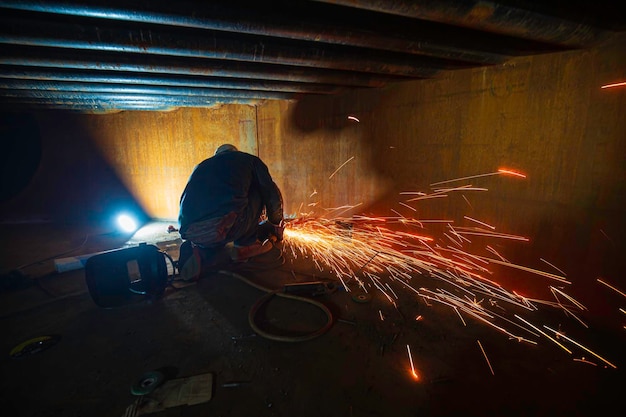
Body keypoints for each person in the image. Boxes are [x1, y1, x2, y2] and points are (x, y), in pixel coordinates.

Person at [177, 143, 284, 280]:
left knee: (217, 219)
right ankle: (244, 246)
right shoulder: (249, 160)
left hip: (190, 231)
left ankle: (203, 250)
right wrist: (276, 222)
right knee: (259, 188)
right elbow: (270, 193)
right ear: (234, 152)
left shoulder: (201, 166)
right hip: (225, 226)